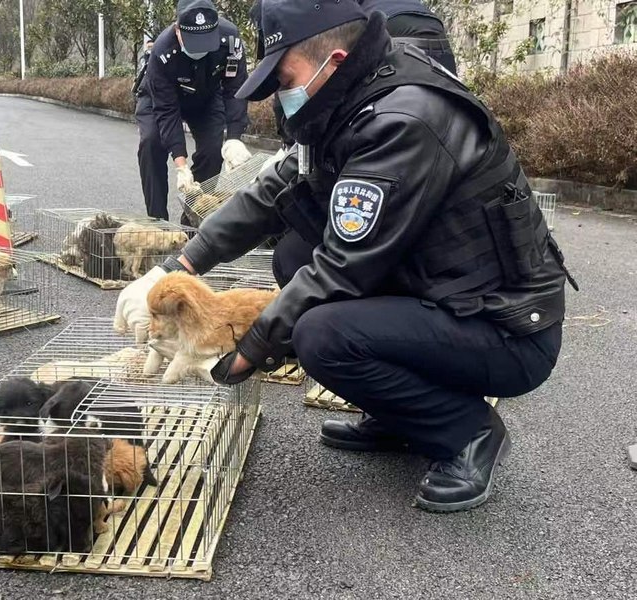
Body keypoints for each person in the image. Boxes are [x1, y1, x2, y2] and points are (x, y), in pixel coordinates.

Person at [115, 0, 577, 512]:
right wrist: (179, 263)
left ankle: (468, 433)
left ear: (332, 59)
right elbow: (272, 191)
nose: (278, 96)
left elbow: (342, 265)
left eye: (283, 78)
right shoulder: (348, 98)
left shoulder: (404, 120)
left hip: (505, 327)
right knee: (292, 261)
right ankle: (403, 416)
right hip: (448, 297)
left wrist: (248, 351)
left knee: (318, 333)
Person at [254, 0, 458, 153]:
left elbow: (286, 70)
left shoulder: (280, 11)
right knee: (443, 127)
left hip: (385, 27)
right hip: (431, 32)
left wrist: (292, 144)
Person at [135, 0, 252, 224]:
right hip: (161, 97)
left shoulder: (231, 40)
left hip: (206, 95)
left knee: (213, 148)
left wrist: (235, 138)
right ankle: (158, 222)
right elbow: (166, 111)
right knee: (151, 142)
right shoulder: (162, 49)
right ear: (177, 30)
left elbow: (235, 89)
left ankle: (192, 223)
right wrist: (181, 165)